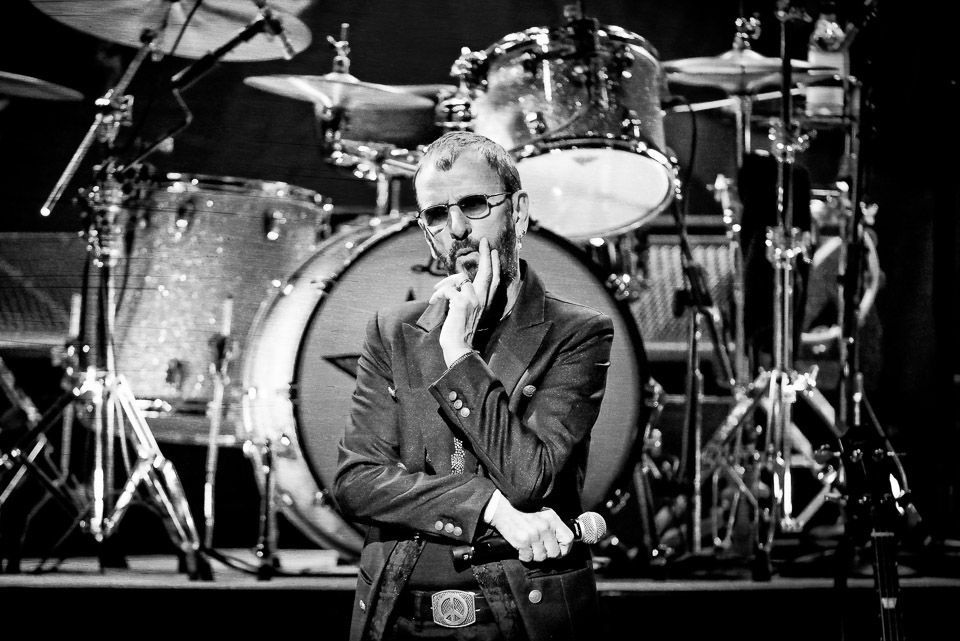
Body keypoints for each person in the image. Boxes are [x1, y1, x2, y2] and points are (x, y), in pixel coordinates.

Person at [333, 131, 614, 641]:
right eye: (437, 214)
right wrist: (488, 506)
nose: (457, 228)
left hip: (522, 617)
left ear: (518, 212)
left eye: (474, 204)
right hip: (397, 614)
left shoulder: (577, 333)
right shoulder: (393, 331)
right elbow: (356, 483)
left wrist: (459, 354)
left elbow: (530, 478)